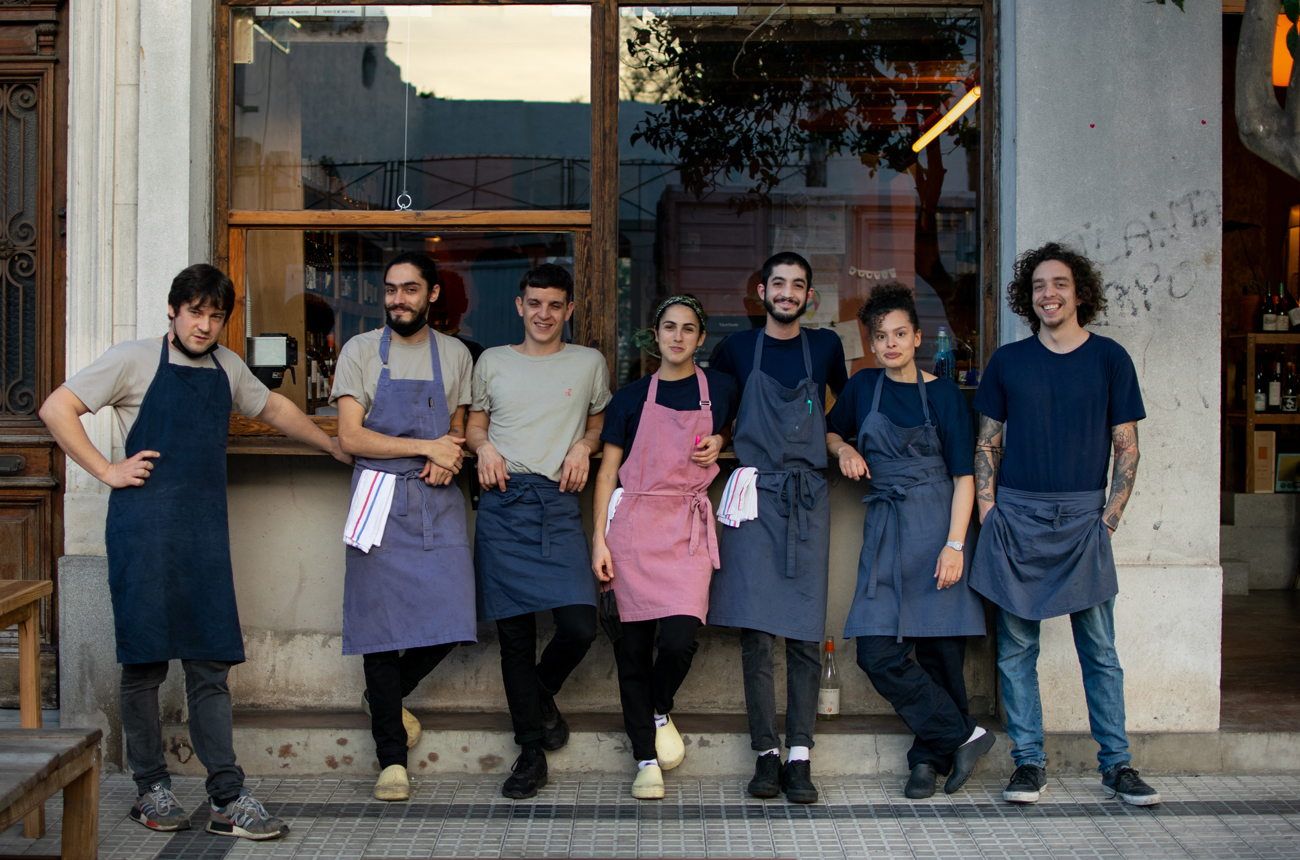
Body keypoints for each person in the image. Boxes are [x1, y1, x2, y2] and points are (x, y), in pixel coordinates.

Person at [39, 264, 349, 840]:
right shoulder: (132, 360)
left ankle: (228, 797)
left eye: (215, 315)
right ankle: (150, 789)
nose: (205, 325)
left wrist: (329, 442)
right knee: (145, 664)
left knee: (210, 665)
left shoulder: (227, 367)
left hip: (204, 534)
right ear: (173, 311)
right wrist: (107, 469)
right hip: (143, 531)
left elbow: (276, 411)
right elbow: (57, 408)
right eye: (195, 312)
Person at [971, 242, 1159, 807]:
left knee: (1100, 649)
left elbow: (1127, 448)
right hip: (1017, 518)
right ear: (1028, 298)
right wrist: (990, 513)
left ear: (1080, 293)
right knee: (1015, 649)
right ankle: (1028, 764)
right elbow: (987, 443)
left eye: (1059, 284)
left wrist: (1109, 521)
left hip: (1084, 521)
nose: (1048, 294)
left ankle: (1117, 765)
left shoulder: (1110, 359)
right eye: (1038, 287)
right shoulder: (1008, 361)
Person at [825, 282, 992, 800]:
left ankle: (927, 761)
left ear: (918, 337)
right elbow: (830, 432)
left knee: (941, 654)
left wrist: (955, 546)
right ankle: (963, 735)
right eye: (881, 336)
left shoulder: (942, 392)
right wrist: (842, 450)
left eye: (901, 333)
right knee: (876, 652)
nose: (891, 343)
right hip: (886, 534)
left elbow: (965, 475)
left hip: (937, 529)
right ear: (871, 344)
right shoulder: (861, 388)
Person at [331, 252, 477, 802]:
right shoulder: (360, 352)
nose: (399, 300)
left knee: (456, 616)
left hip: (436, 497)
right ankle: (390, 759)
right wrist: (425, 445)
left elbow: (458, 424)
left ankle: (384, 698)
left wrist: (451, 454)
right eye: (391, 290)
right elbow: (352, 438)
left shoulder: (456, 354)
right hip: (377, 498)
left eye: (410, 290)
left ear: (431, 295)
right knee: (378, 631)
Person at [708, 251, 848, 804]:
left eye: (798, 285)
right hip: (755, 498)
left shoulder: (827, 348)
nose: (787, 293)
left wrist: (837, 443)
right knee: (757, 633)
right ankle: (765, 754)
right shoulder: (736, 349)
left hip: (808, 496)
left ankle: (800, 755)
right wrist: (714, 440)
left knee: (805, 630)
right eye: (779, 284)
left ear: (809, 296)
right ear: (761, 290)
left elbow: (840, 411)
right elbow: (711, 416)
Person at [467, 263, 611, 799]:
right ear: (520, 306)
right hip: (505, 505)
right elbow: (474, 424)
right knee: (514, 641)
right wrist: (481, 448)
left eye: (555, 305)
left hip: (558, 505)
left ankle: (540, 694)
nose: (544, 314)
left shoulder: (589, 362)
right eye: (535, 303)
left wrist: (583, 446)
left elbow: (598, 424)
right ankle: (529, 751)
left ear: (569, 309)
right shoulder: (493, 362)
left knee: (579, 626)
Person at [591, 295, 739, 800]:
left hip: (688, 526)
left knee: (680, 638)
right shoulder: (630, 398)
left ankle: (659, 707)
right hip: (632, 526)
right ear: (655, 336)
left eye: (689, 329)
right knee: (631, 651)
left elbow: (739, 427)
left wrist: (722, 436)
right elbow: (607, 473)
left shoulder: (720, 389)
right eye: (669, 327)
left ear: (701, 338)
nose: (678, 337)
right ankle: (644, 758)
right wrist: (597, 541)